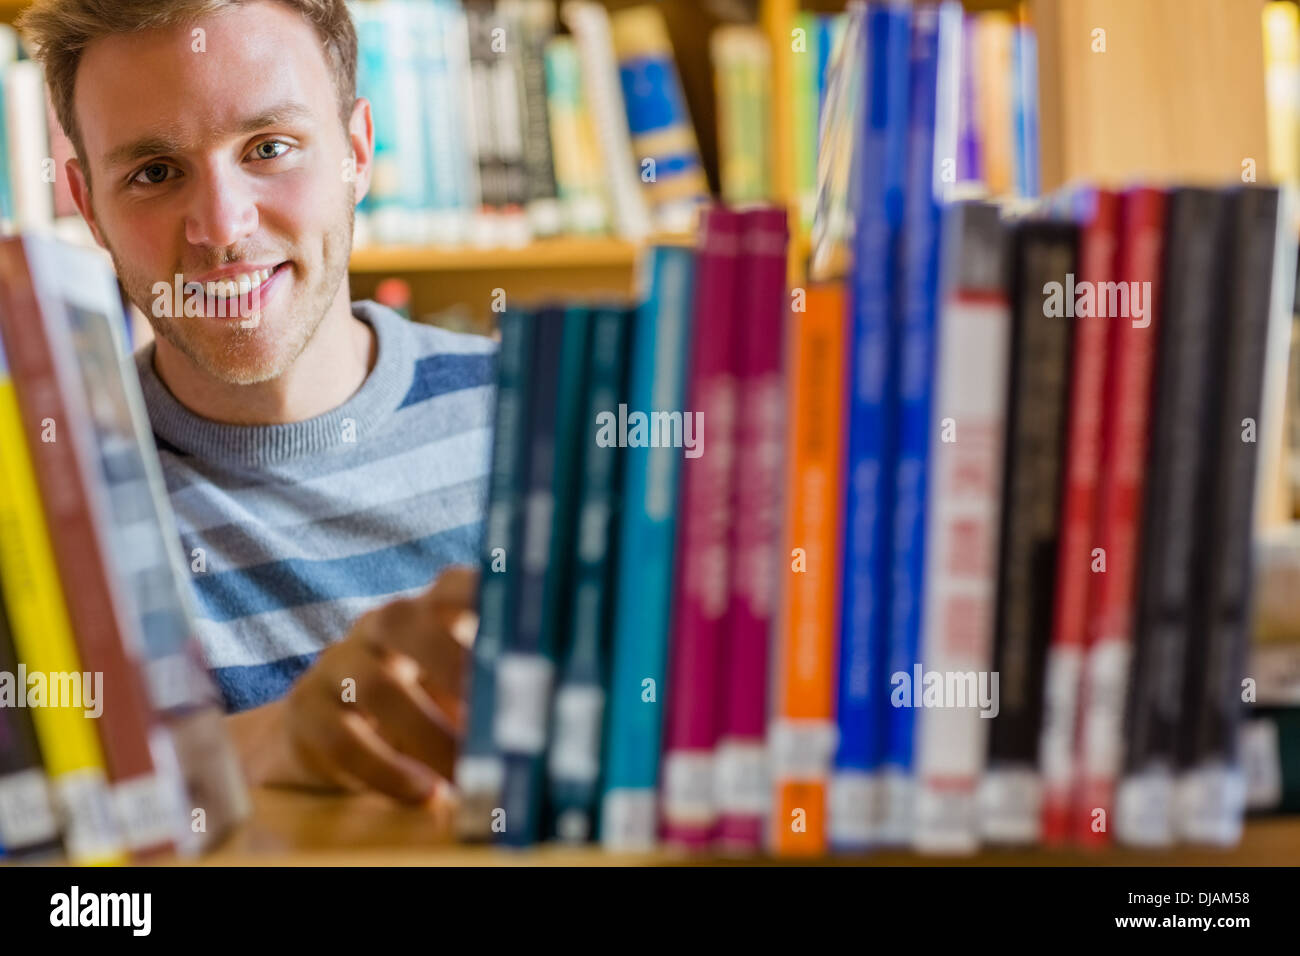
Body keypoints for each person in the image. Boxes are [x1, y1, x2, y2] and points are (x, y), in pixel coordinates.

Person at [17, 0, 490, 805]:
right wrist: (274, 737)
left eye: (269, 148)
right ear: (88, 206)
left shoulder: (547, 419)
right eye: (155, 173)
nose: (222, 227)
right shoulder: (40, 499)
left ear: (355, 152)